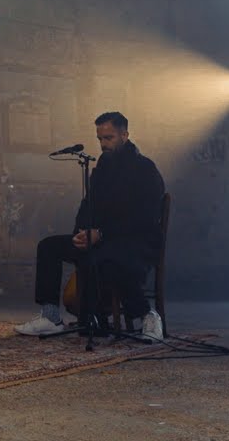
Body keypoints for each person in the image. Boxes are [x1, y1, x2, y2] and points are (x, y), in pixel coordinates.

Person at [15, 112, 166, 341]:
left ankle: (148, 316)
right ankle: (51, 317)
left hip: (135, 242)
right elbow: (88, 204)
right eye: (100, 139)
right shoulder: (104, 165)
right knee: (48, 247)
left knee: (107, 258)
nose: (103, 144)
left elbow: (144, 218)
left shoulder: (145, 169)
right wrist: (81, 232)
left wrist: (102, 234)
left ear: (125, 135)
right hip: (99, 239)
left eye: (109, 138)